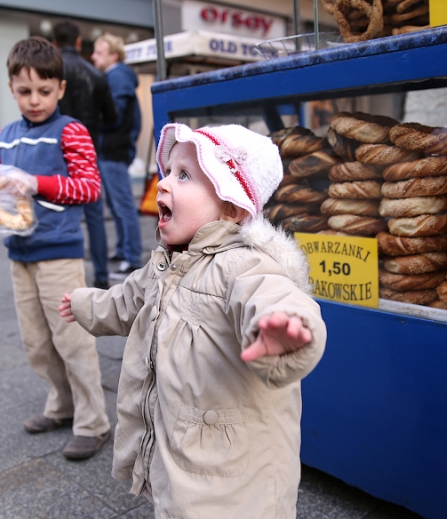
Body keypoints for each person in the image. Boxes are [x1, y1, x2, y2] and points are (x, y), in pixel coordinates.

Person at [59, 123, 327, 517]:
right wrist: (87, 304)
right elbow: (127, 299)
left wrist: (283, 330)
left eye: (183, 175)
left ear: (231, 208)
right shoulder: (166, 264)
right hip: (181, 452)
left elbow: (272, 297)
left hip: (236, 475)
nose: (164, 183)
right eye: (167, 171)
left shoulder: (244, 264)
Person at [0, 36, 110, 461]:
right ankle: (61, 405)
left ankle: (93, 422)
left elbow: (89, 187)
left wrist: (37, 183)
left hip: (59, 255)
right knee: (37, 343)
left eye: (44, 91)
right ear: (11, 88)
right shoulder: (6, 136)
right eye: (24, 92)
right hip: (20, 255)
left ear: (61, 89)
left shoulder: (71, 131)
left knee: (72, 341)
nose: (34, 101)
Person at [53, 20, 118, 289]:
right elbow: (112, 117)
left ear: (55, 43)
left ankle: (62, 278)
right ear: (79, 42)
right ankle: (101, 276)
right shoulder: (96, 74)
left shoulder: (53, 74)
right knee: (94, 218)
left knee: (59, 213)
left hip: (56, 153)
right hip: (88, 152)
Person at [91, 32, 143, 279]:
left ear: (113, 55)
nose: (93, 57)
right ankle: (124, 250)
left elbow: (115, 115)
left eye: (98, 52)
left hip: (113, 149)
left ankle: (132, 259)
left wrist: (94, 121)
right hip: (113, 149)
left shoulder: (118, 75)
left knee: (122, 205)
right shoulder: (116, 76)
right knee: (117, 204)